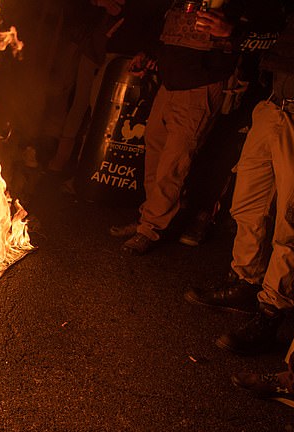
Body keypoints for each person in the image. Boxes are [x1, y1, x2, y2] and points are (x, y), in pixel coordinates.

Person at [185, 7, 294, 355]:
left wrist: (236, 33)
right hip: (273, 106)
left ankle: (272, 312)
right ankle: (245, 284)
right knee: (249, 204)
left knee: (290, 224)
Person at [115, 0, 252, 255]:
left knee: (174, 162)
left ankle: (151, 228)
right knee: (155, 153)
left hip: (200, 85)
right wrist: (151, 54)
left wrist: (233, 32)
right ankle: (148, 216)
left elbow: (257, 32)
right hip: (170, 83)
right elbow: (172, 31)